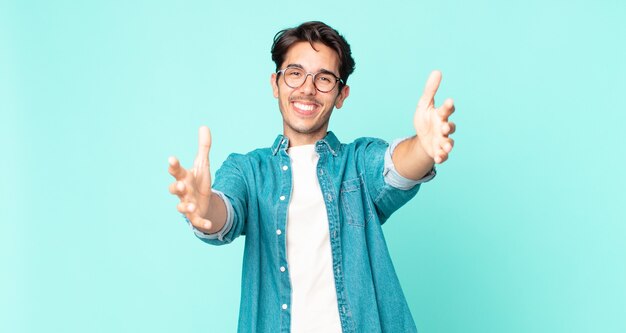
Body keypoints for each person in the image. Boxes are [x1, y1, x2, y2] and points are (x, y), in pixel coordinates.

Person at [168, 21, 456, 333]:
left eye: (324, 78)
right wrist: (203, 210)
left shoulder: (357, 163)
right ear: (275, 84)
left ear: (341, 94)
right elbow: (224, 212)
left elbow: (395, 166)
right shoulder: (248, 171)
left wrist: (424, 147)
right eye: (295, 73)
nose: (307, 88)